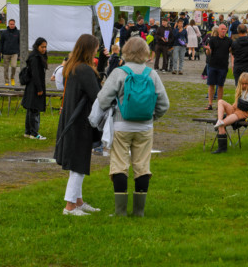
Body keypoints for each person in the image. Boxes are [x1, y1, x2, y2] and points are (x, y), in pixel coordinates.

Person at [97, 37, 170, 217]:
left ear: (125, 51)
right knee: (142, 166)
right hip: (145, 127)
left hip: (121, 125)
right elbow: (164, 104)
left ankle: (120, 211)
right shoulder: (152, 74)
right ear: (146, 53)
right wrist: (152, 117)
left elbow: (103, 99)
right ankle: (139, 211)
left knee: (119, 165)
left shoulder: (119, 73)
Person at [54, 34, 101, 216]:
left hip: (70, 117)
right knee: (78, 164)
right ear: (90, 49)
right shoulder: (85, 70)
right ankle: (70, 205)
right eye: (96, 48)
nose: (97, 51)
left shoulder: (72, 67)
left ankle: (78, 201)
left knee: (77, 160)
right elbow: (97, 95)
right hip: (80, 120)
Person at [212, 72, 248, 154]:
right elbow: (235, 105)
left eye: (246, 83)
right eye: (242, 83)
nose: (244, 85)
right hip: (234, 109)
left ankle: (222, 148)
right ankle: (220, 120)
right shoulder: (239, 90)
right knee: (220, 101)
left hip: (242, 113)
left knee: (222, 124)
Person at [22, 37, 48, 140]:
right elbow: (35, 74)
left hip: (33, 86)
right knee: (34, 109)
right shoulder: (35, 57)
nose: (44, 49)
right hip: (35, 86)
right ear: (37, 46)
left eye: (45, 47)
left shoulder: (35, 56)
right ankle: (34, 133)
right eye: (42, 47)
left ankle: (28, 132)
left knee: (31, 109)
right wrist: (39, 88)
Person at [205, 23, 232, 108]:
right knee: (211, 84)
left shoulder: (229, 41)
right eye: (222, 29)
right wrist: (208, 50)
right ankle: (210, 104)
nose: (223, 31)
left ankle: (219, 105)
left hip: (223, 66)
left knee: (220, 85)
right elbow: (208, 53)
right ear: (218, 30)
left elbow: (232, 51)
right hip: (213, 65)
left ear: (226, 30)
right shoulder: (213, 40)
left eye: (225, 29)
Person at [0, 19, 20, 85]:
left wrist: (19, 53)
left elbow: (20, 42)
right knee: (6, 68)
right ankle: (6, 81)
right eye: (11, 24)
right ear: (8, 24)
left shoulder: (18, 32)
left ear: (15, 24)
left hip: (14, 52)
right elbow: (1, 42)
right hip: (6, 53)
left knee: (14, 66)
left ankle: (12, 78)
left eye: (13, 24)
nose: (12, 25)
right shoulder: (4, 32)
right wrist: (0, 51)